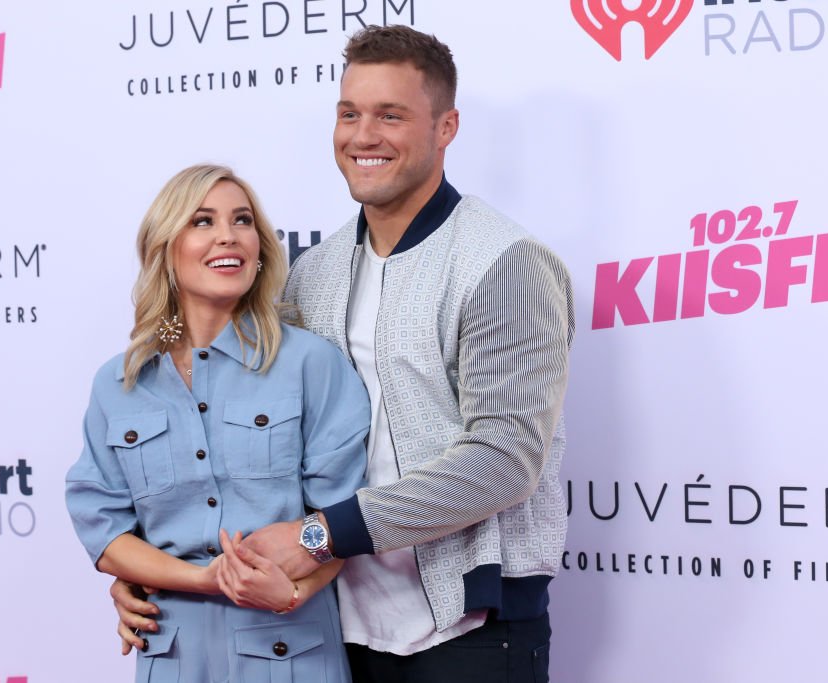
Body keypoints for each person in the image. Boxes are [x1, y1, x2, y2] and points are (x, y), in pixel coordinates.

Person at [113, 25, 575, 683]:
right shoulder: (315, 271)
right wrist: (153, 569)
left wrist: (321, 533)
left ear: (446, 128)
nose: (363, 135)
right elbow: (239, 427)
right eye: (349, 113)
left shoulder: (504, 263)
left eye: (392, 115)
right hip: (328, 628)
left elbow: (503, 460)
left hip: (470, 632)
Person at [65, 164, 370, 683]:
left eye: (242, 220)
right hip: (171, 654)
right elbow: (105, 528)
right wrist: (203, 579)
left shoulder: (309, 363)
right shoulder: (119, 382)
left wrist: (296, 592)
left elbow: (345, 519)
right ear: (166, 247)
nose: (228, 235)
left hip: (290, 649)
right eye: (202, 221)